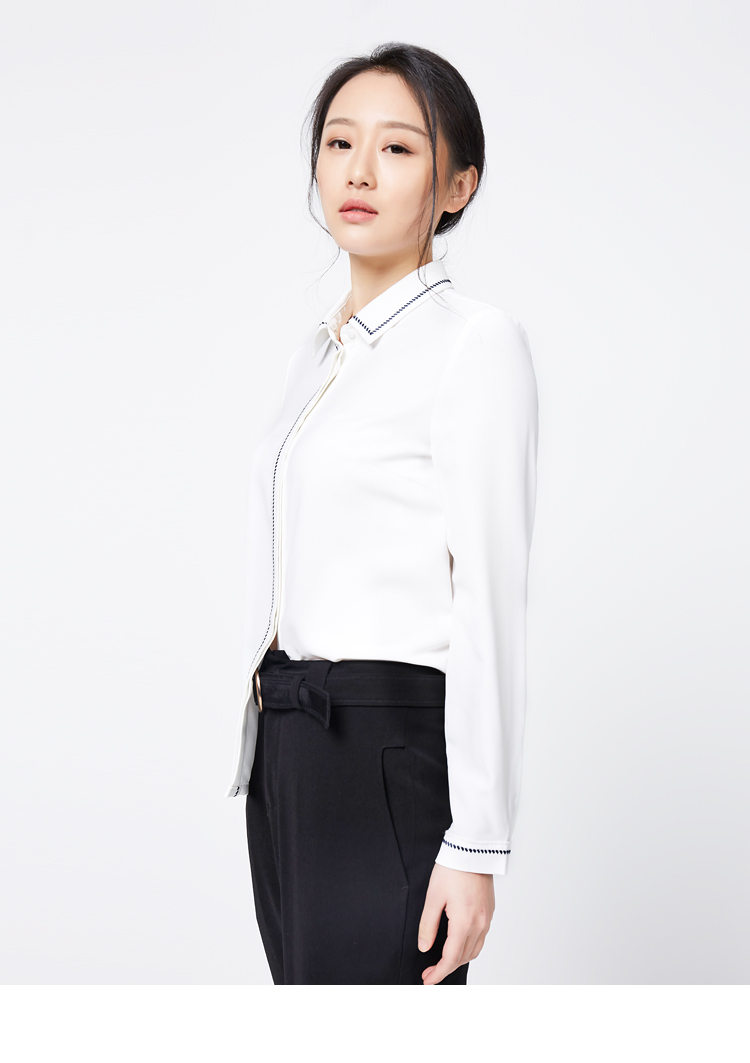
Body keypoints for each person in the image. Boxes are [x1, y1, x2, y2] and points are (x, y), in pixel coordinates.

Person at [226, 42, 539, 985]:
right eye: (339, 142)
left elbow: (490, 598)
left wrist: (477, 843)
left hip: (383, 748)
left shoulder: (473, 343)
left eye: (398, 148)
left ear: (457, 186)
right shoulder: (315, 357)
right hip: (289, 749)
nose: (358, 171)